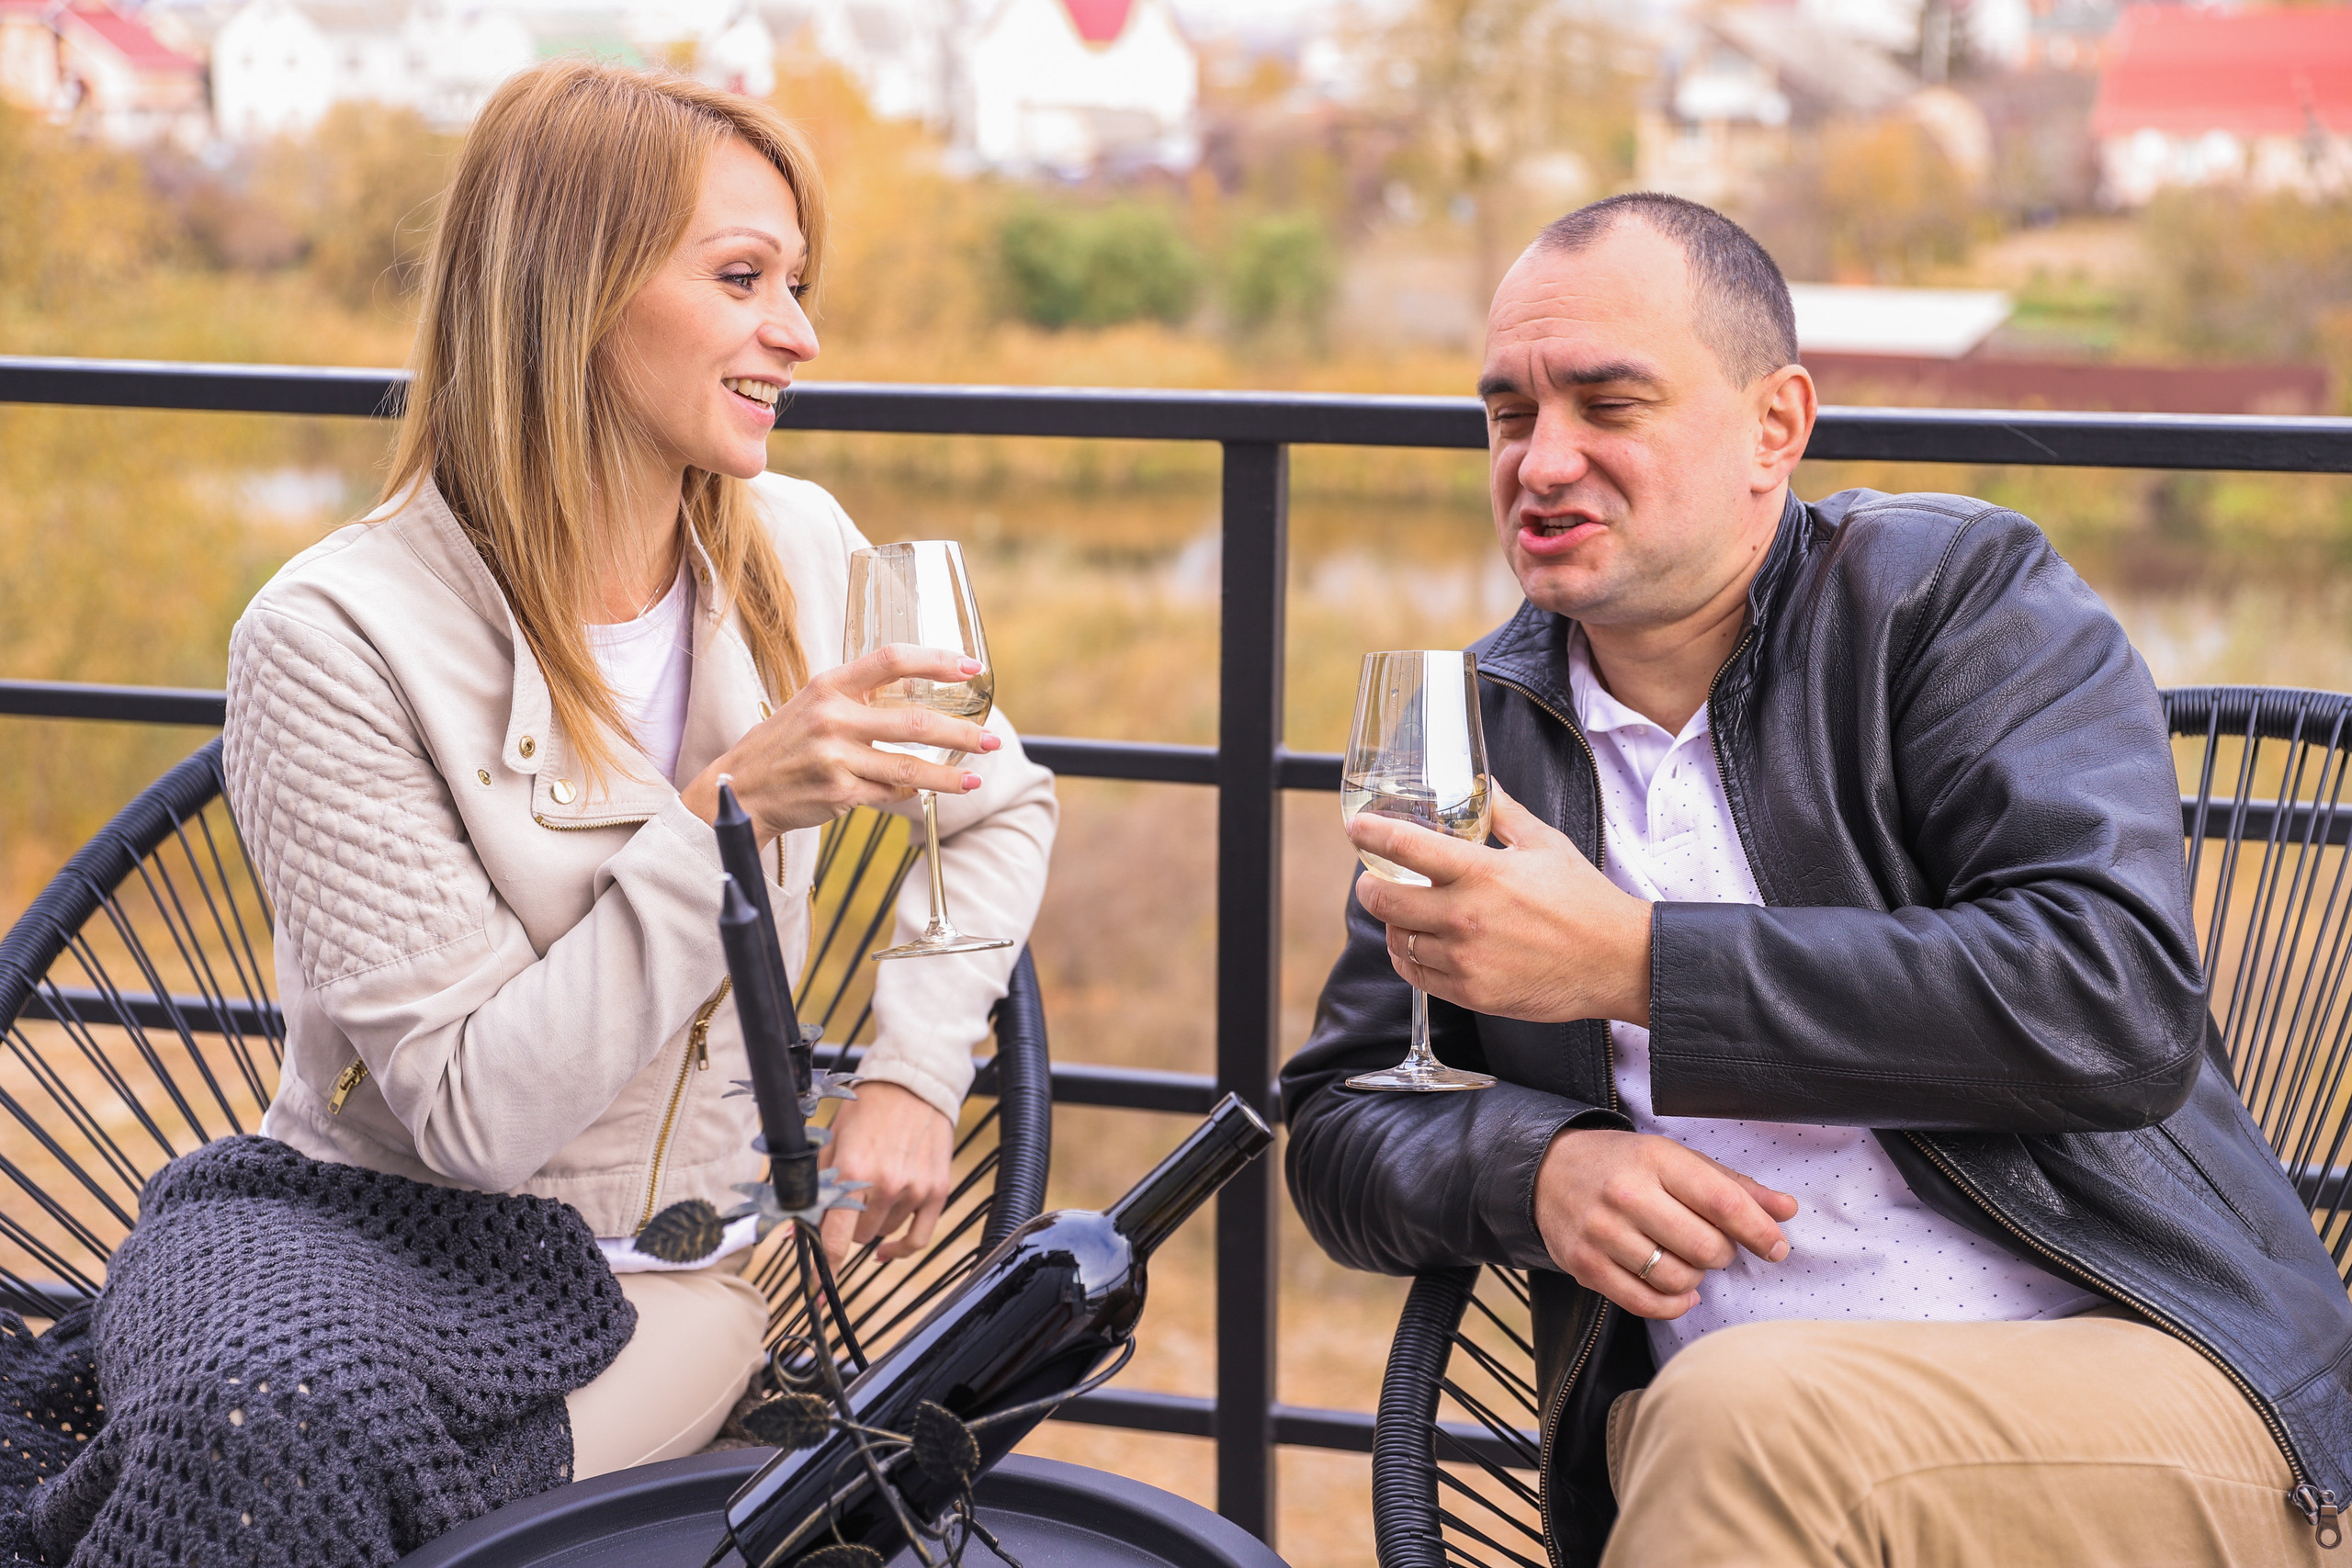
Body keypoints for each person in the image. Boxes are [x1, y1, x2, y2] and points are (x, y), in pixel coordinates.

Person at [1281, 192, 2352, 1567]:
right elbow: (1346, 1118)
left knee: (1747, 1428)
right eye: (1507, 414)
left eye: (1608, 405)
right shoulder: (1483, 732)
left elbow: (2112, 1000)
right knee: (1726, 1429)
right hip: (1716, 1443)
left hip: (2148, 1382)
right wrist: (1534, 1168)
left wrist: (1633, 962)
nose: (1542, 462)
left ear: (1775, 428)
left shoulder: (1953, 601)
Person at [221, 61, 1057, 1478]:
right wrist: (725, 819)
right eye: (744, 278)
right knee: (259, 1452)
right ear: (576, 289)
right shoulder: (329, 637)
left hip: (667, 1284)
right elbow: (475, 1122)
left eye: (799, 286)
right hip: (378, 1250)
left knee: (343, 1481)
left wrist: (916, 1071)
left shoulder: (801, 548)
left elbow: (995, 804)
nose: (796, 336)